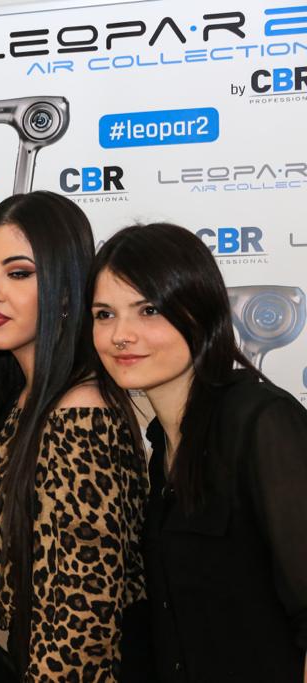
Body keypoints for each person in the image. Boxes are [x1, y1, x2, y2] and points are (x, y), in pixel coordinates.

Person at [89, 223, 307, 682]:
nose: (121, 335)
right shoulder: (160, 448)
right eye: (104, 314)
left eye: (147, 310)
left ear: (200, 311)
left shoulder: (259, 422)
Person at [0, 191, 148, 681]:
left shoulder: (81, 414)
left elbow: (80, 622)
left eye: (18, 273)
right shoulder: (27, 401)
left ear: (68, 291)